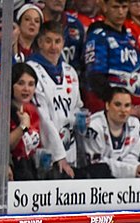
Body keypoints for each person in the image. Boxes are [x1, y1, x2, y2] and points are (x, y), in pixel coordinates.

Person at [28, 21, 83, 170]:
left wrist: (82, 119)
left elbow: (76, 107)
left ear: (63, 42)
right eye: (48, 41)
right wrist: (59, 156)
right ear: (39, 42)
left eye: (57, 41)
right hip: (44, 152)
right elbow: (42, 117)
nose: (53, 47)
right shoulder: (31, 70)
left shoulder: (70, 71)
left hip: (69, 149)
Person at [82, 0, 140, 115]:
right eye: (115, 7)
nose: (120, 12)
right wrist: (121, 107)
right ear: (105, 7)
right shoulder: (98, 36)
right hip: (107, 114)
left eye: (124, 7)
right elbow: (95, 77)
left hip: (134, 112)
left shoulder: (130, 37)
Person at [82, 87, 140, 178]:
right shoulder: (94, 126)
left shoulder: (134, 124)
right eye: (118, 105)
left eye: (127, 105)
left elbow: (132, 155)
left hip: (125, 176)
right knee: (101, 170)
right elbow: (97, 163)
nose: (123, 110)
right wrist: (130, 170)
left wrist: (137, 168)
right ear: (107, 105)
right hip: (96, 179)